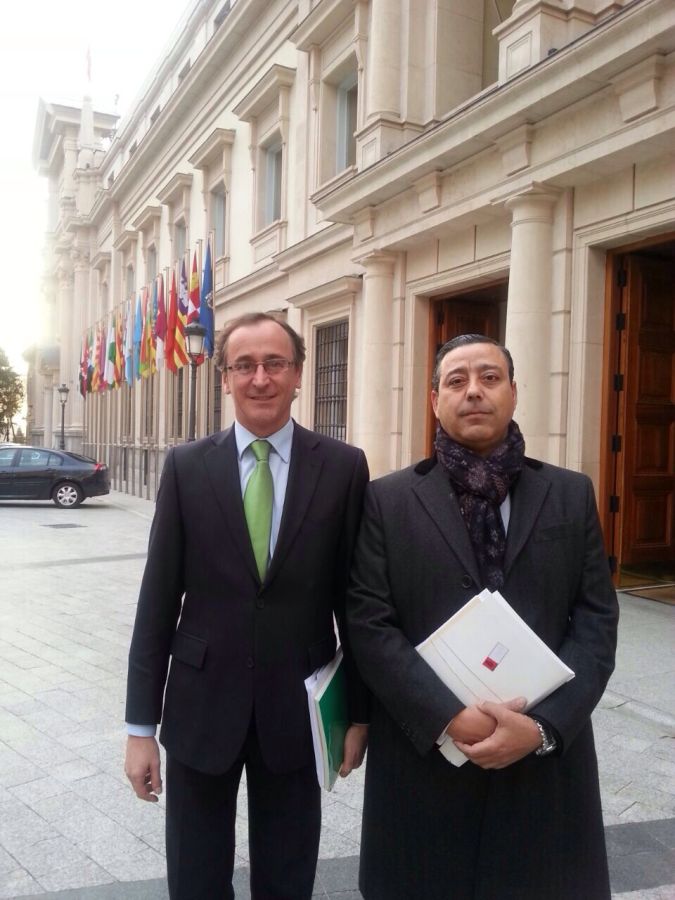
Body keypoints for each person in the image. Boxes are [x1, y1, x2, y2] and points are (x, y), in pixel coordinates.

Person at [347, 333, 618, 900]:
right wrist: (447, 715)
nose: (474, 391)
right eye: (456, 380)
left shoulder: (570, 494)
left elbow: (596, 623)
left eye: (490, 378)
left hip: (544, 774)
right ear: (435, 399)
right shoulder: (387, 500)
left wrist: (543, 728)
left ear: (514, 392)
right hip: (425, 767)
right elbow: (369, 623)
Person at [124, 312, 369, 900]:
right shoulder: (186, 468)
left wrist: (357, 716)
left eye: (275, 364)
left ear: (298, 375)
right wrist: (139, 728)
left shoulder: (342, 468)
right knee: (195, 877)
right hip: (201, 707)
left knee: (288, 877)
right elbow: (157, 602)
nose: (260, 378)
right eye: (245, 365)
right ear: (225, 378)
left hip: (298, 709)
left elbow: (356, 604)